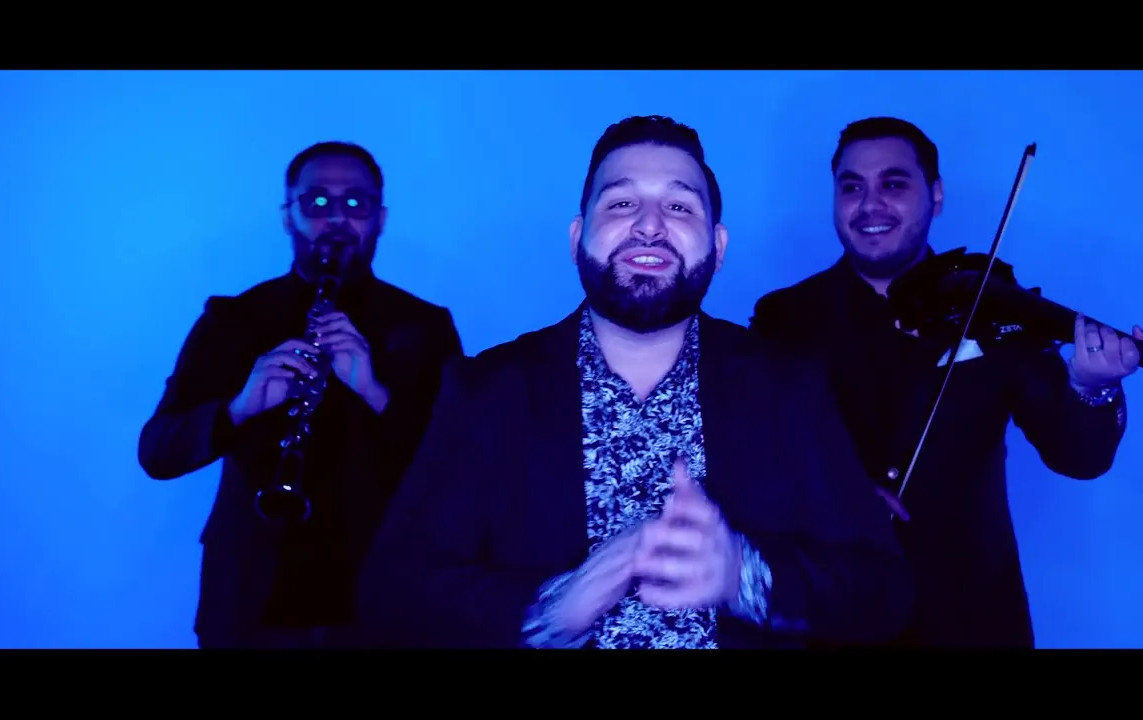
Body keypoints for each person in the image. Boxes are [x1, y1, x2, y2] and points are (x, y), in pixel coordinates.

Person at [356, 115, 914, 649]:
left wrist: (744, 575)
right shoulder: (486, 391)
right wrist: (550, 610)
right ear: (578, 238)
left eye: (679, 205)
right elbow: (390, 593)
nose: (650, 225)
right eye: (622, 203)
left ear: (718, 248)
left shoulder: (789, 388)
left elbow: (884, 593)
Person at [749, 116, 1143, 648]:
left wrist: (1091, 385)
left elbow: (1078, 457)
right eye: (852, 187)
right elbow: (756, 464)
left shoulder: (993, 306)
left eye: (894, 184)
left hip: (971, 616)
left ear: (935, 195)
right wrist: (841, 494)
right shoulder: (783, 318)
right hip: (832, 617)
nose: (870, 205)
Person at [138, 141, 465, 649]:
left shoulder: (425, 326)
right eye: (316, 202)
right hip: (252, 603)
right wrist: (239, 408)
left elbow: (460, 470)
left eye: (355, 203)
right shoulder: (232, 319)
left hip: (385, 602)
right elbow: (158, 452)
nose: (336, 219)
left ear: (380, 218)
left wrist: (375, 393)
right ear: (287, 216)